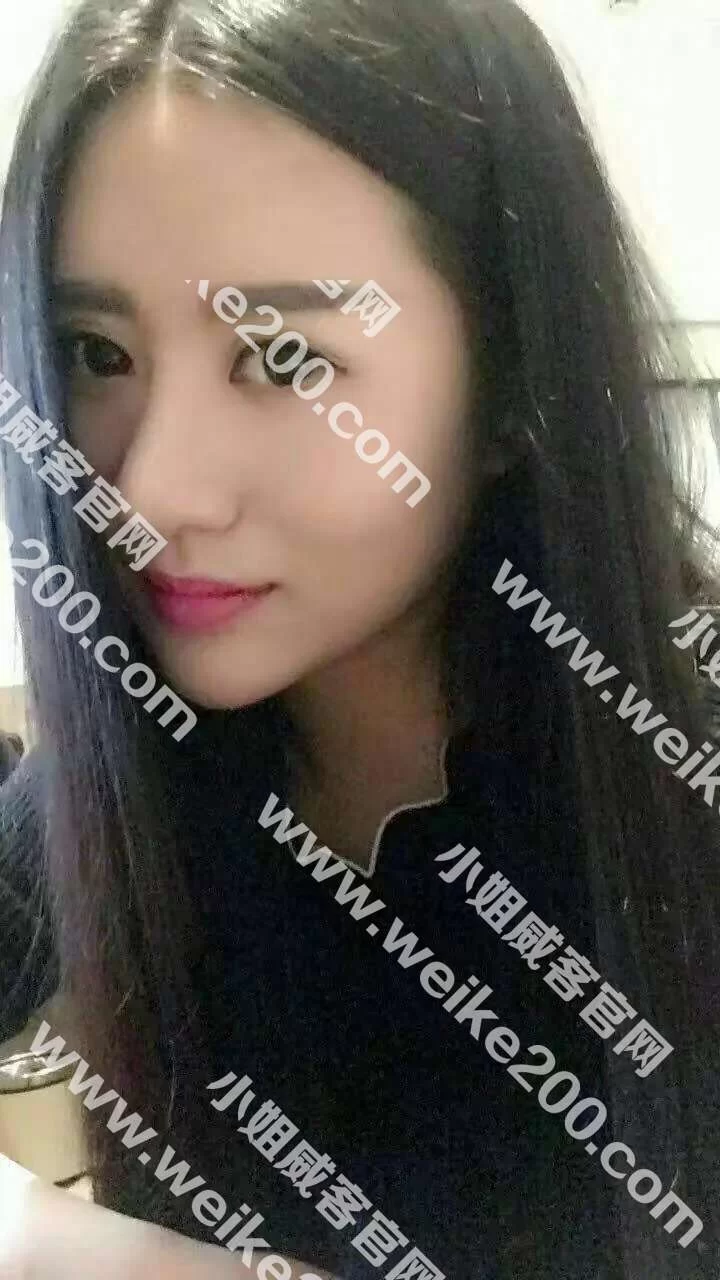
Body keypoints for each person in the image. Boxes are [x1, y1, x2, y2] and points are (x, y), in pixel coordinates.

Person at [0, 0, 718, 1276]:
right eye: (94, 351)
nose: (149, 488)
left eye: (283, 357)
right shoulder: (125, 757)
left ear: (511, 383)